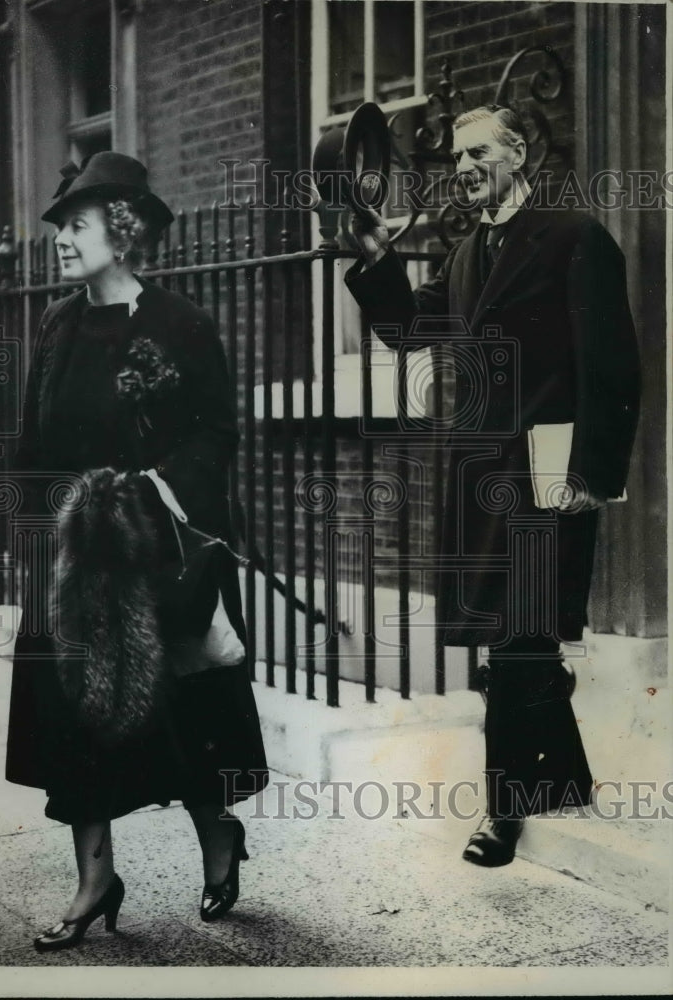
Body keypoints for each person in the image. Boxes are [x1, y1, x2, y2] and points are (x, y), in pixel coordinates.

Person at [346, 105, 640, 866]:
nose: (464, 166)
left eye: (479, 151)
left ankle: (503, 812)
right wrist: (377, 259)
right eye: (455, 157)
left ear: (521, 153)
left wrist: (592, 475)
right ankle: (561, 779)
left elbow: (611, 370)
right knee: (511, 638)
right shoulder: (468, 252)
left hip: (549, 471)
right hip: (480, 474)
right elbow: (413, 333)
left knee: (515, 639)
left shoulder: (576, 238)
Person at [6, 152, 268, 950]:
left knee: (182, 714)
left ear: (121, 232)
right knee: (69, 719)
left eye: (75, 225)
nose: (60, 238)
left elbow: (215, 434)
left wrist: (152, 496)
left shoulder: (179, 324)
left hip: (154, 550)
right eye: (59, 226)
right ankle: (95, 880)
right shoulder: (55, 326)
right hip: (70, 560)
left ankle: (217, 838)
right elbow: (32, 442)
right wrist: (34, 533)